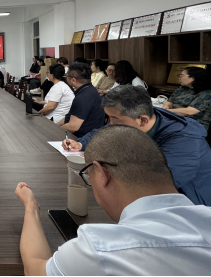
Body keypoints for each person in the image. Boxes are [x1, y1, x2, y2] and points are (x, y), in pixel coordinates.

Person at [15, 125, 211, 276]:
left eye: (88, 175)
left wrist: (31, 207)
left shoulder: (101, 248)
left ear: (102, 174)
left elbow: (35, 270)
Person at [63, 85, 211, 206]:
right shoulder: (137, 117)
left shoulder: (184, 139)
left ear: (143, 120)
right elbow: (105, 131)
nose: (111, 124)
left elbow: (160, 184)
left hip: (188, 204)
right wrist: (81, 143)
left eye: (114, 118)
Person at [57, 63, 106, 136]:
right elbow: (70, 116)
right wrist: (55, 126)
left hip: (82, 138)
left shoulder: (83, 97)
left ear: (73, 80)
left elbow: (73, 127)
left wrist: (56, 130)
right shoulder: (90, 89)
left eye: (66, 76)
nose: (65, 78)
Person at [163, 66, 211, 131]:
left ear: (192, 78)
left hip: (193, 123)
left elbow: (189, 111)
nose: (179, 77)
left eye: (182, 75)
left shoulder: (207, 93)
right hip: (174, 117)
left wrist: (165, 111)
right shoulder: (182, 88)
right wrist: (164, 109)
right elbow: (169, 102)